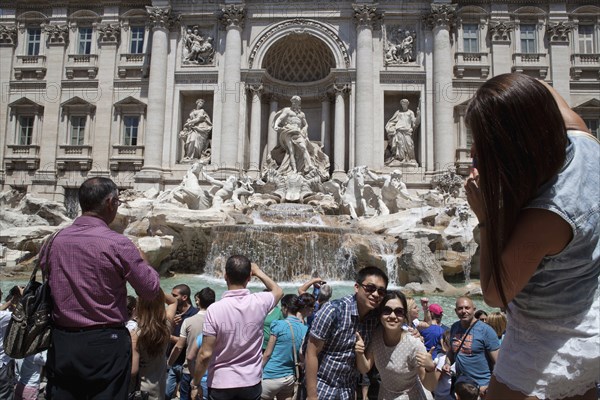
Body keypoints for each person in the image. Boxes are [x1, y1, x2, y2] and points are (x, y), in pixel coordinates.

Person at [464, 73, 599, 399]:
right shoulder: (585, 143)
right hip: (589, 315)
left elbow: (495, 294)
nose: (474, 152)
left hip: (550, 339)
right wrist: (504, 90)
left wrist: (486, 218)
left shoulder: (546, 216)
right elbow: (542, 92)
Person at [43, 177, 160, 399]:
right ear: (110, 202)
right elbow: (150, 290)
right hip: (106, 344)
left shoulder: (53, 241)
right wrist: (143, 262)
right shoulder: (118, 243)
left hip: (61, 341)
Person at [190, 256, 284, 400]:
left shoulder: (214, 309)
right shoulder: (260, 301)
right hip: (251, 382)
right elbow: (278, 291)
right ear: (249, 278)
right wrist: (258, 271)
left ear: (225, 276)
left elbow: (205, 354)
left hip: (220, 383)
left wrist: (196, 383)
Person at [304, 266, 389, 400]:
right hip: (322, 388)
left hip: (347, 391)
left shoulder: (374, 319)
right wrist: (312, 395)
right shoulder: (332, 310)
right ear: (356, 287)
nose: (376, 294)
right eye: (370, 288)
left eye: (381, 291)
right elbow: (311, 353)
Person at [355, 291, 437, 399]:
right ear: (380, 314)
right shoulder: (376, 335)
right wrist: (359, 353)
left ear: (404, 316)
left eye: (398, 311)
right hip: (386, 394)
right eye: (387, 310)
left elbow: (430, 386)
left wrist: (430, 369)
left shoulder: (414, 344)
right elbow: (365, 368)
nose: (393, 316)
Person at [445, 297, 499, 396]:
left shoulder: (486, 331)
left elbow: (499, 363)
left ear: (474, 309)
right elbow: (452, 351)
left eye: (467, 308)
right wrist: (447, 363)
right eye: (460, 308)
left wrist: (489, 386)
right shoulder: (454, 327)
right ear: (456, 311)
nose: (464, 311)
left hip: (482, 388)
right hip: (462, 386)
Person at [168, 287, 216, 397]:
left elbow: (179, 347)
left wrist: (168, 364)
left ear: (198, 300)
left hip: (189, 370)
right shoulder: (218, 321)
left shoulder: (188, 321)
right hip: (210, 372)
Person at [130, 289, 177, 400]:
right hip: (159, 388)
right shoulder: (166, 326)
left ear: (140, 306)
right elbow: (173, 301)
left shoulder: (135, 335)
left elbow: (133, 371)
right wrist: (155, 290)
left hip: (141, 391)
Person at [261, 294, 309, 400]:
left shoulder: (277, 325)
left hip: (271, 376)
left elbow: (268, 353)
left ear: (285, 307)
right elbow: (301, 353)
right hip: (289, 379)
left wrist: (258, 368)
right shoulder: (304, 329)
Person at [166, 284, 199, 400]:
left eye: (174, 295)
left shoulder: (195, 314)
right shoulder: (171, 312)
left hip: (187, 364)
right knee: (166, 394)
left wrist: (171, 338)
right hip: (171, 360)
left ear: (184, 297)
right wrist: (170, 325)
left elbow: (194, 341)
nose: (171, 297)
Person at [273, 95, 314, 174]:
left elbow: (306, 124)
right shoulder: (287, 111)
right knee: (291, 151)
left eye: (297, 102)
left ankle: (309, 165)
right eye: (294, 102)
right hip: (288, 131)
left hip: (298, 132)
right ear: (292, 102)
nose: (296, 103)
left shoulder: (301, 114)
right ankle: (294, 169)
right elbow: (280, 118)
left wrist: (305, 129)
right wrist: (276, 125)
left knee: (303, 148)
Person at [385, 99, 419, 163]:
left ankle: (410, 158)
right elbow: (392, 121)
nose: (404, 105)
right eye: (402, 104)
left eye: (405, 104)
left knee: (409, 144)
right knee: (400, 145)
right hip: (399, 131)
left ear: (407, 104)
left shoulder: (410, 112)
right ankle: (401, 159)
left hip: (407, 131)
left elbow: (414, 123)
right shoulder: (398, 112)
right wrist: (391, 128)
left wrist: (418, 115)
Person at [0, 287, 16, 400]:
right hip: (2, 365)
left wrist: (10, 302)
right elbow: (24, 316)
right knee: (5, 396)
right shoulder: (5, 317)